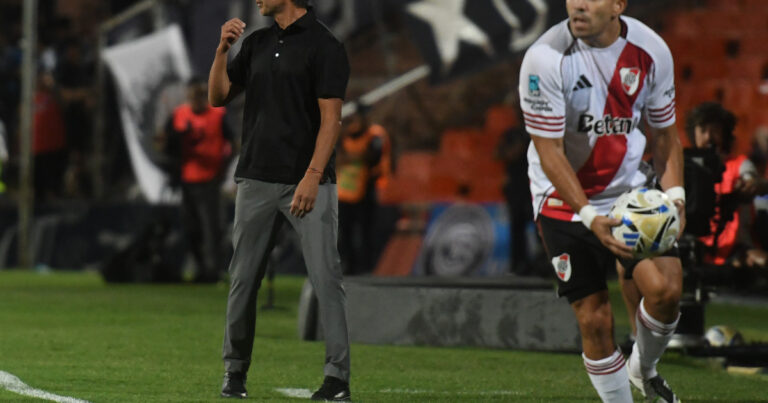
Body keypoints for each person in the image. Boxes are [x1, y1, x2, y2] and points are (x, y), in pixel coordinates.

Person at [519, 1, 685, 402]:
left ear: (618, 5)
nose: (577, 3)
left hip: (630, 193)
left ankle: (643, 370)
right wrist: (589, 214)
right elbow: (550, 151)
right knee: (594, 319)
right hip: (561, 198)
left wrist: (676, 197)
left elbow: (664, 135)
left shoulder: (651, 50)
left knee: (665, 291)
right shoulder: (544, 58)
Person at [208, 0, 351, 400]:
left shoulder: (325, 46)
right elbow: (218, 96)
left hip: (308, 184)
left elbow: (331, 120)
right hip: (255, 180)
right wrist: (222, 50)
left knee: (327, 279)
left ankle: (337, 380)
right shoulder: (254, 43)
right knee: (242, 280)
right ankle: (234, 373)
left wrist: (312, 176)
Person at [160, 77, 233, 283]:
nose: (198, 98)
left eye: (202, 94)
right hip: (187, 178)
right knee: (191, 228)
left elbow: (233, 142)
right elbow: (164, 144)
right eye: (194, 94)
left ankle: (213, 271)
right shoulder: (179, 115)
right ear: (188, 95)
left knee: (211, 228)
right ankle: (201, 267)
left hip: (210, 179)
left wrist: (223, 168)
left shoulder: (218, 114)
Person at [337, 104, 391, 275]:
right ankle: (348, 265)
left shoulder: (375, 134)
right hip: (345, 190)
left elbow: (371, 156)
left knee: (366, 229)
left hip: (366, 189)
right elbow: (336, 156)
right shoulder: (347, 134)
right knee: (345, 231)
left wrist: (350, 157)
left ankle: (366, 267)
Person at [496, 125, 534, 275]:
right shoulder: (509, 134)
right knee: (517, 229)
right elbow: (498, 154)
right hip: (515, 190)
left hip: (529, 188)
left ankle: (544, 263)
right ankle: (518, 265)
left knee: (539, 228)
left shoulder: (531, 133)